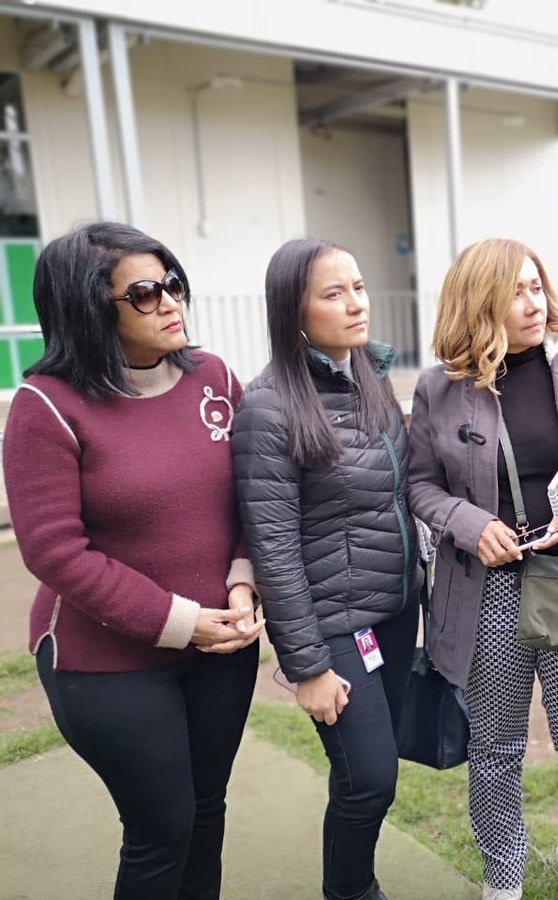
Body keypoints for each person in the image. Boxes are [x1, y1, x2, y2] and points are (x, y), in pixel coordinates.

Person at [2, 222, 263, 898]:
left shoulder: (215, 379)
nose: (171, 302)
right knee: (162, 828)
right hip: (104, 664)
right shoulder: (45, 407)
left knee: (207, 812)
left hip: (221, 651)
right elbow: (54, 551)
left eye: (171, 283)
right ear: (89, 307)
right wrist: (181, 620)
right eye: (144, 293)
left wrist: (241, 586)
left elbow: (252, 498)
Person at [407, 238, 558, 900]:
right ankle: (503, 877)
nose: (533, 302)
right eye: (515, 291)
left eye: (537, 287)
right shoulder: (439, 388)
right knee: (495, 746)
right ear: (479, 302)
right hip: (487, 588)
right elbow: (420, 485)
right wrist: (468, 524)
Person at [232, 239, 421, 900]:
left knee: (367, 774)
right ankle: (350, 891)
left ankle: (352, 882)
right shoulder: (268, 408)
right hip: (333, 626)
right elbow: (273, 548)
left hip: (394, 614)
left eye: (360, 287)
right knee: (370, 778)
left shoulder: (369, 376)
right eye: (334, 293)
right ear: (295, 310)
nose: (356, 303)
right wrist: (307, 666)